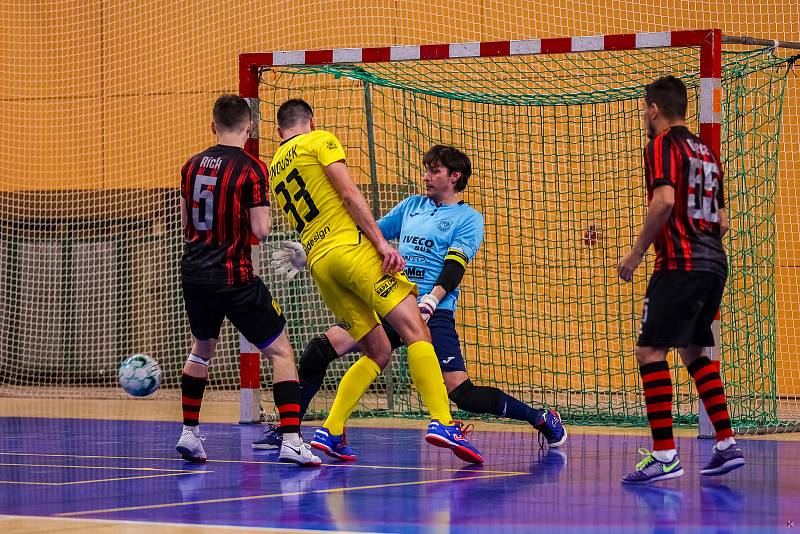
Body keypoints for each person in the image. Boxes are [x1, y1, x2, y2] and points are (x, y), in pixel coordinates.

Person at [253, 145, 566, 451]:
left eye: (434, 171)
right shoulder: (411, 206)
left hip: (433, 309)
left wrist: (432, 299)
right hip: (391, 300)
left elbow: (454, 267)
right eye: (426, 170)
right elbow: (366, 234)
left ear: (455, 176)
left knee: (462, 393)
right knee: (319, 350)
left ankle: (540, 418)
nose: (427, 176)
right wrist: (312, 252)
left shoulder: (467, 219)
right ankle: (290, 430)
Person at [267, 99, 483, 463]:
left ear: (278, 132)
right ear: (312, 121)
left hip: (321, 264)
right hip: (351, 253)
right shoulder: (319, 141)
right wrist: (382, 246)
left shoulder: (274, 166)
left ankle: (331, 430)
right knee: (417, 330)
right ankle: (442, 421)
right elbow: (350, 195)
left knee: (378, 350)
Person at [176, 94, 320, 467]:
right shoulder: (252, 169)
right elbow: (260, 228)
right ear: (250, 127)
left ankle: (189, 434)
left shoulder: (190, 166)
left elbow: (185, 223)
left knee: (200, 350)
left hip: (194, 271)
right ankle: (291, 439)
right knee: (282, 353)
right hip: (234, 275)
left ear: (213, 126)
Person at [617, 76, 744, 484]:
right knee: (692, 351)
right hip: (713, 264)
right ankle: (725, 444)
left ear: (653, 109)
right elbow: (722, 220)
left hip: (679, 265)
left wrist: (636, 252)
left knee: (649, 353)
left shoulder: (661, 146)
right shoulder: (706, 152)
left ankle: (666, 455)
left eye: (643, 108)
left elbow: (666, 199)